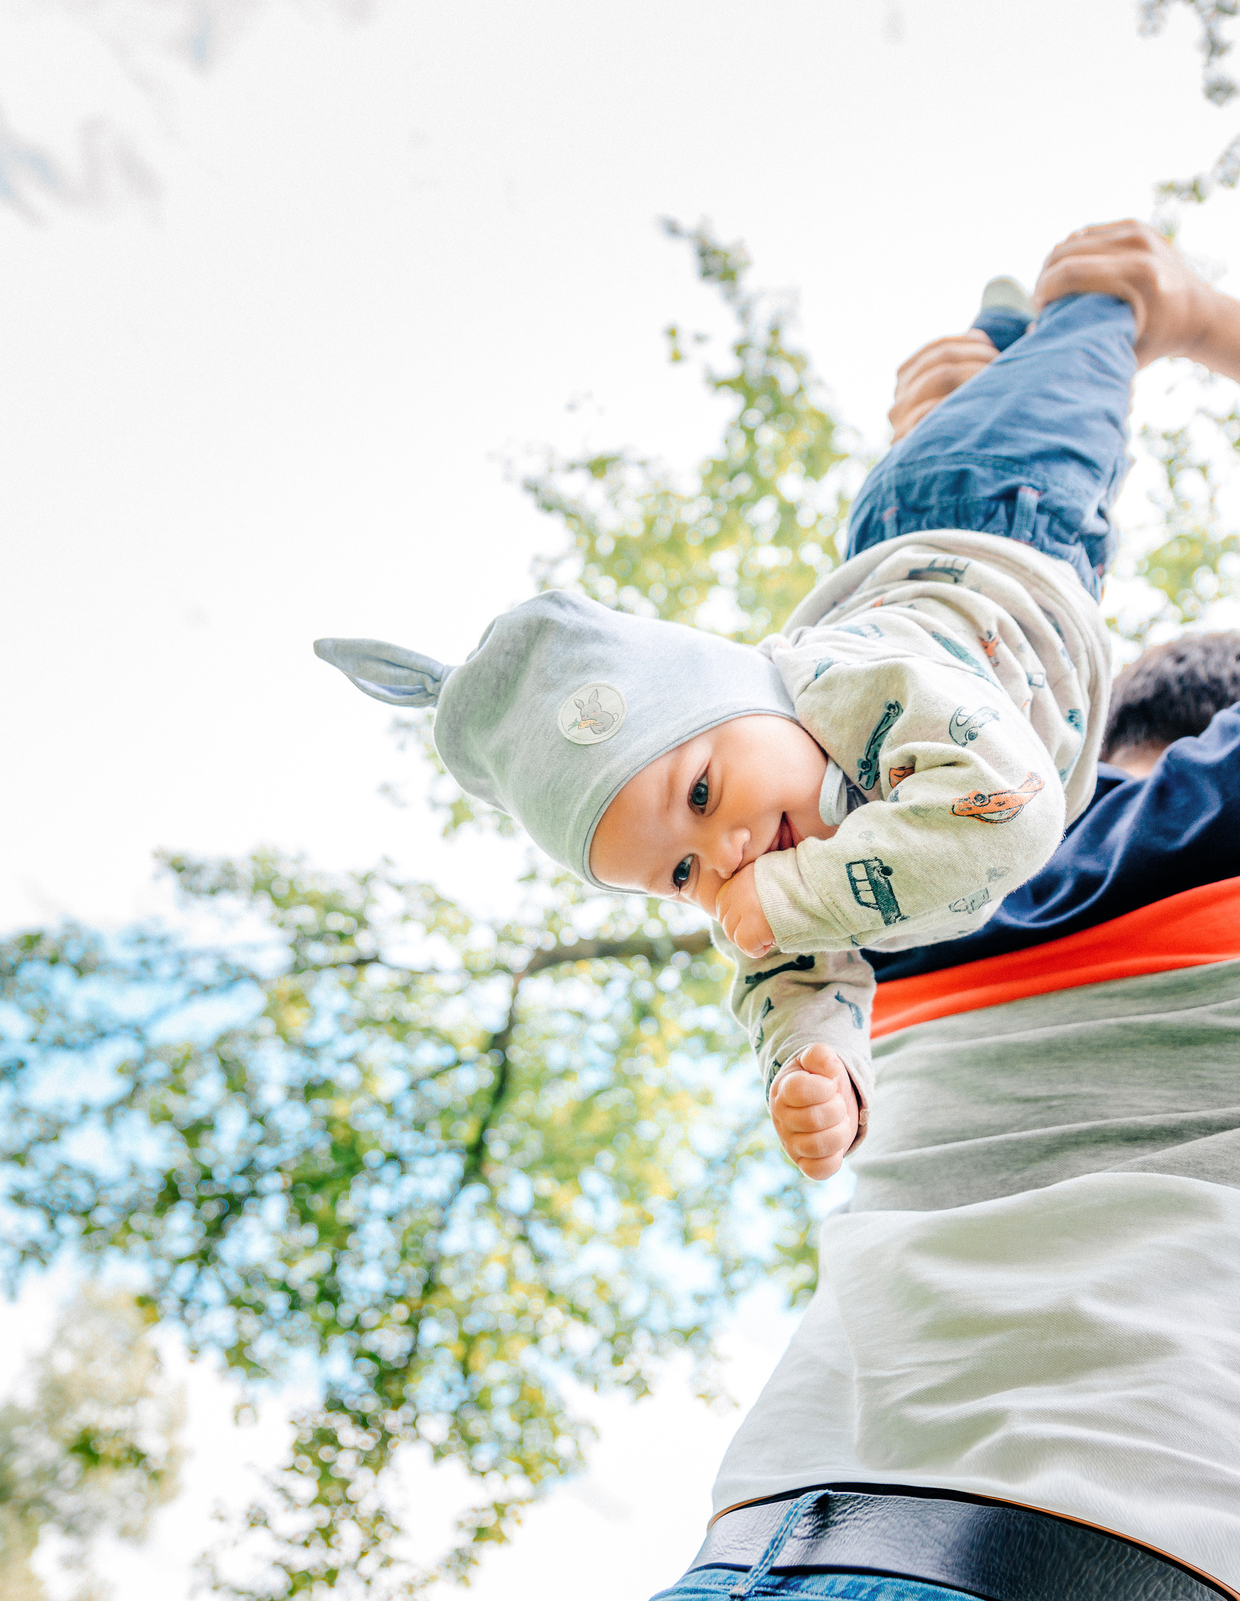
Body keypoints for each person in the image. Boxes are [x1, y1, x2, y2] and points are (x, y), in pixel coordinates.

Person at [662, 223, 1240, 1601]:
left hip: (755, 1544)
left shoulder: (890, 881)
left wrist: (968, 427)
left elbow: (934, 655)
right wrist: (1194, 318)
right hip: (1118, 1553)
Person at [316, 245, 1140, 1179]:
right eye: (679, 873)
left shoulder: (843, 683)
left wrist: (783, 902)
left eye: (702, 793)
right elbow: (791, 984)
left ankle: (1078, 297)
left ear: (750, 695)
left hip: (991, 498)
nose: (726, 858)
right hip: (1023, 552)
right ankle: (997, 339)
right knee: (1016, 406)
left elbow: (1010, 810)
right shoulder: (765, 885)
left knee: (1090, 354)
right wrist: (817, 1065)